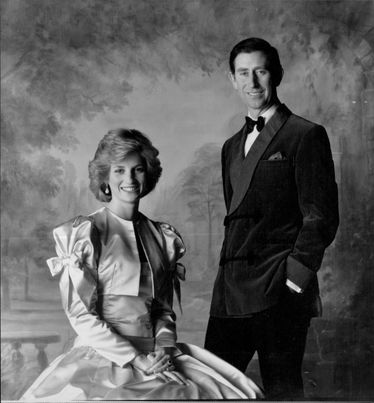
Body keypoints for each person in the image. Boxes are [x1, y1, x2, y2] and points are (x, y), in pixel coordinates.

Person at [21, 129, 263, 401]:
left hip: (157, 354)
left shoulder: (161, 237)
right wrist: (136, 359)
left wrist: (164, 349)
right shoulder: (87, 234)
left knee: (231, 393)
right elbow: (81, 315)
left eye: (137, 169)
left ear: (148, 174)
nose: (129, 179)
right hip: (106, 355)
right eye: (119, 171)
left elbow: (162, 310)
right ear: (106, 180)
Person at [204, 37, 339, 400]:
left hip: (278, 289)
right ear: (232, 79)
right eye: (243, 73)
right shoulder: (231, 146)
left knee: (283, 392)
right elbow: (238, 219)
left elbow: (321, 216)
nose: (252, 82)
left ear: (276, 74)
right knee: (214, 389)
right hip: (231, 291)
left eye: (260, 71)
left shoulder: (305, 135)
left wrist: (293, 281)